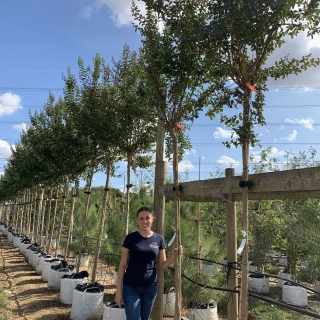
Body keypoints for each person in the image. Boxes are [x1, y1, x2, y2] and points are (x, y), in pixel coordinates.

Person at [115, 206, 183, 320]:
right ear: (137, 220)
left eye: (147, 218)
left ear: (152, 219)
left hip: (150, 288)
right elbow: (122, 265)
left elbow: (162, 266)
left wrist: (172, 257)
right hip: (131, 287)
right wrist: (118, 291)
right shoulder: (131, 238)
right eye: (141, 218)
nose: (144, 221)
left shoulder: (159, 239)